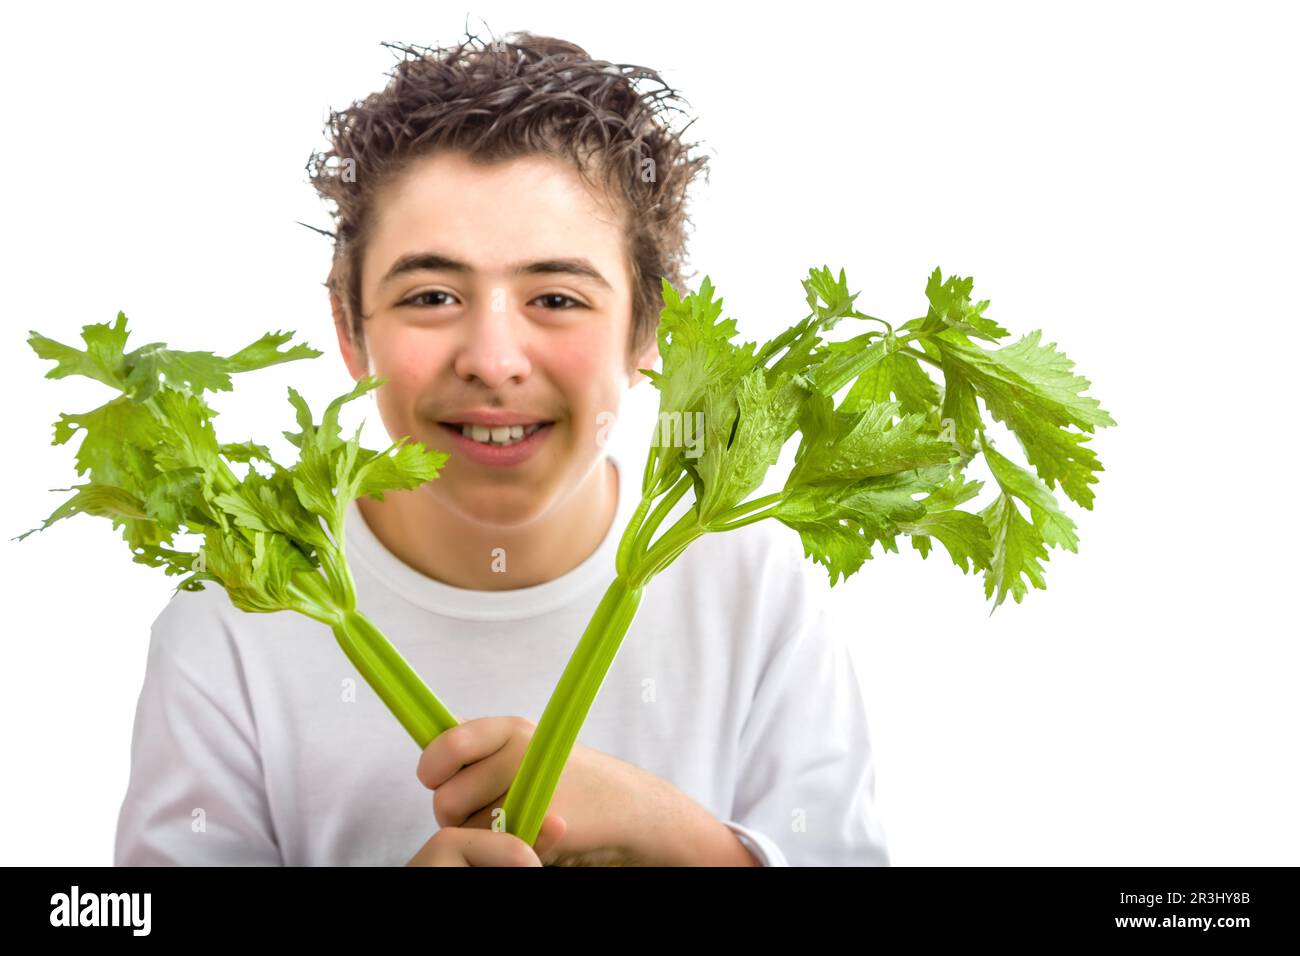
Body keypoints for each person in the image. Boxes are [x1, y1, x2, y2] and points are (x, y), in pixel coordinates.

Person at [114, 31, 891, 867]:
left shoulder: (755, 586)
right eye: (433, 295)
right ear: (349, 328)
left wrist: (681, 838)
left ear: (649, 331)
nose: (491, 359)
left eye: (555, 296)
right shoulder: (238, 612)